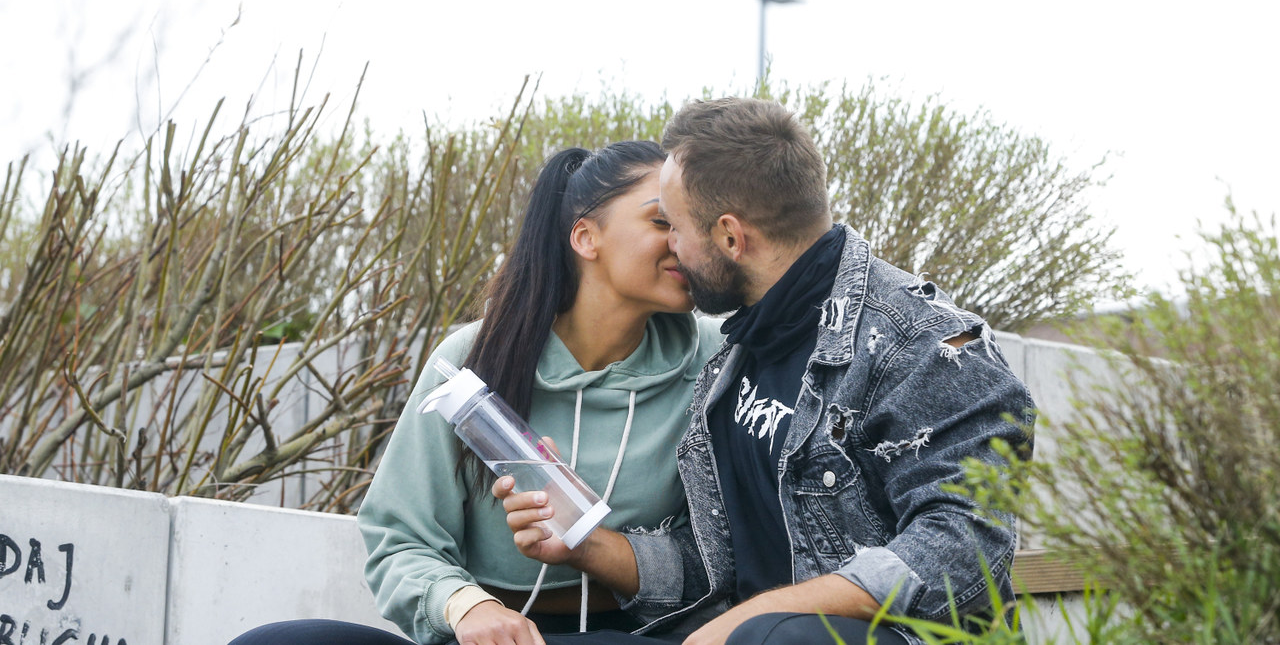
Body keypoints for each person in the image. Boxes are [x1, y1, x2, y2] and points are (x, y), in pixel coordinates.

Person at [496, 98, 1036, 645]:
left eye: (675, 226)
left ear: (731, 237)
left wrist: (757, 620)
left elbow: (964, 547)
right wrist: (584, 542)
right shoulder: (733, 358)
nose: (673, 248)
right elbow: (716, 566)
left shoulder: (928, 343)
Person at [228, 141, 724, 645]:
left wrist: (591, 546)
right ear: (586, 238)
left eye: (692, 224)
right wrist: (469, 607)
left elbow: (722, 553)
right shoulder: (475, 356)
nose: (686, 241)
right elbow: (400, 537)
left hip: (634, 635)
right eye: (663, 222)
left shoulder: (717, 359)